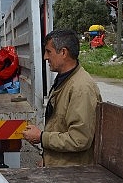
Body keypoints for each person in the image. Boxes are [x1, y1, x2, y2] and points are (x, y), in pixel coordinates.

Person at [22, 29, 102, 166]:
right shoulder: (65, 80)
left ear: (63, 52)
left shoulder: (81, 88)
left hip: (72, 173)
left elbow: (79, 139)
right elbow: (58, 124)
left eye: (49, 52)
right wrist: (47, 160)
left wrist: (41, 137)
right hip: (61, 166)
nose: (45, 57)